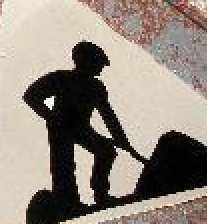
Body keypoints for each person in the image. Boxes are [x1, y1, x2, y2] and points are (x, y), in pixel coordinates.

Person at [23, 41, 145, 210]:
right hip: (61, 128)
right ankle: (67, 201)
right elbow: (31, 95)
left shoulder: (96, 87)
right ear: (85, 61)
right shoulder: (61, 78)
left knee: (107, 151)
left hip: (82, 128)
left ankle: (101, 194)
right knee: (63, 164)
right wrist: (51, 118)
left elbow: (108, 116)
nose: (101, 69)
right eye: (98, 64)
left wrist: (123, 141)